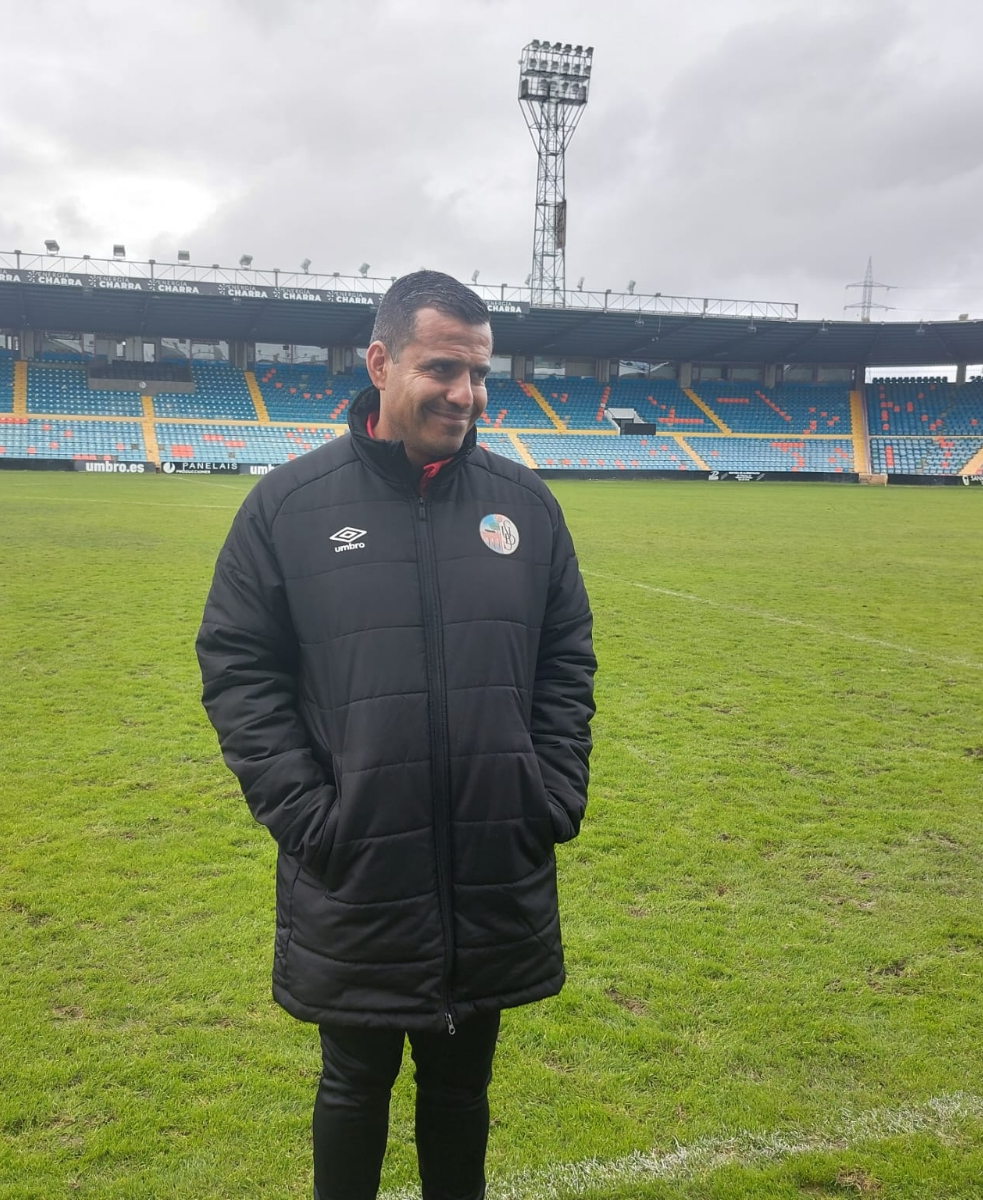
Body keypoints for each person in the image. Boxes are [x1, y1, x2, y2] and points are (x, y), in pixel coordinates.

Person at [197, 270, 596, 1200]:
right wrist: (311, 815)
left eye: (479, 373)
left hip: (493, 856)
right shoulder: (290, 508)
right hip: (360, 863)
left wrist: (549, 792)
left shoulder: (525, 508)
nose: (465, 394)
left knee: (462, 1092)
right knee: (354, 1084)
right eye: (442, 368)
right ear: (381, 363)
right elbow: (237, 666)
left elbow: (566, 658)